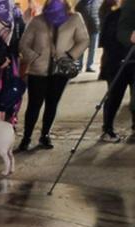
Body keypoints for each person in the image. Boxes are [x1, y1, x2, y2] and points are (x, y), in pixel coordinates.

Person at [18, 0, 88, 151]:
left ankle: (45, 135)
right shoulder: (38, 20)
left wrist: (69, 56)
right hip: (38, 71)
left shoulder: (75, 18)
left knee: (52, 104)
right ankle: (26, 137)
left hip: (60, 72)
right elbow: (24, 43)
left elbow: (84, 40)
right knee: (33, 106)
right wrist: (34, 56)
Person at [99, 4, 134, 141]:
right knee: (114, 97)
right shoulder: (114, 15)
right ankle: (107, 129)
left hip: (131, 64)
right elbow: (106, 41)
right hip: (117, 64)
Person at [76, 0, 102, 71]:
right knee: (81, 47)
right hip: (83, 28)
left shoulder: (99, 2)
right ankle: (79, 65)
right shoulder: (81, 3)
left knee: (93, 48)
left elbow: (102, 13)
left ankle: (90, 65)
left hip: (95, 27)